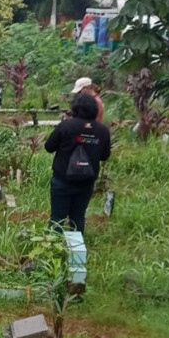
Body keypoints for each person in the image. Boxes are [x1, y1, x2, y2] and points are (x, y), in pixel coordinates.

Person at [44, 92, 112, 233]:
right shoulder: (102, 131)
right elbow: (104, 156)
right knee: (78, 218)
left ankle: (52, 251)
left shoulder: (66, 126)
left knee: (57, 218)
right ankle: (76, 253)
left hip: (62, 180)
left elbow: (49, 147)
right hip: (86, 183)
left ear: (74, 108)